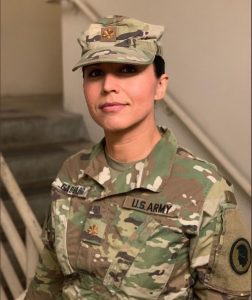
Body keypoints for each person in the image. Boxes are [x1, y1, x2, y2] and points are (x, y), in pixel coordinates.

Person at [25, 15, 251, 299]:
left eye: (127, 69)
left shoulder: (203, 189)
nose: (108, 86)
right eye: (95, 73)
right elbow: (47, 281)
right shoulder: (72, 172)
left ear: (160, 85)